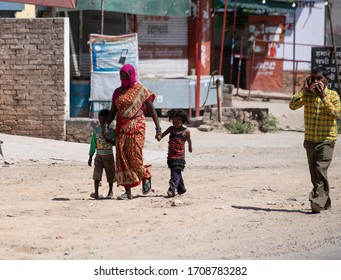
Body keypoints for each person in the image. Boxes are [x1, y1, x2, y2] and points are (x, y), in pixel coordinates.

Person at [102, 64, 162, 200]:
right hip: (122, 127)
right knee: (122, 157)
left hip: (137, 125)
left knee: (134, 154)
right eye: (121, 76)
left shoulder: (141, 90)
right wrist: (106, 125)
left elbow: (152, 110)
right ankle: (127, 192)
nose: (123, 78)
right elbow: (113, 112)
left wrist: (158, 129)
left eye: (126, 76)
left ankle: (145, 175)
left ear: (132, 75)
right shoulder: (117, 92)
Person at [289, 66, 341, 213]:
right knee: (314, 173)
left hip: (326, 140)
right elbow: (292, 106)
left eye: (320, 79)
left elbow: (337, 114)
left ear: (327, 80)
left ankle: (317, 201)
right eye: (314, 78)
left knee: (320, 170)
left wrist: (323, 97)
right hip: (310, 140)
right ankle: (326, 201)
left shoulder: (332, 95)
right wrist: (303, 90)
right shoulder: (308, 95)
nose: (316, 82)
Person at [158, 109, 192, 197]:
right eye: (174, 122)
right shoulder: (171, 129)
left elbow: (189, 141)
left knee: (175, 173)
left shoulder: (186, 131)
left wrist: (190, 147)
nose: (175, 124)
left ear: (182, 122)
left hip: (180, 157)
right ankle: (181, 189)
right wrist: (158, 136)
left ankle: (171, 190)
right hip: (171, 156)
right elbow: (162, 135)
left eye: (178, 122)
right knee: (176, 172)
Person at [88, 109, 116, 199]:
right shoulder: (96, 132)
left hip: (109, 156)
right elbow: (93, 145)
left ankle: (110, 191)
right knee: (97, 175)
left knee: (110, 174)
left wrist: (109, 140)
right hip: (99, 156)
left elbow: (116, 142)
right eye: (100, 119)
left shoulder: (111, 132)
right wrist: (90, 156)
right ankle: (96, 192)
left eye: (104, 119)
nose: (102, 121)